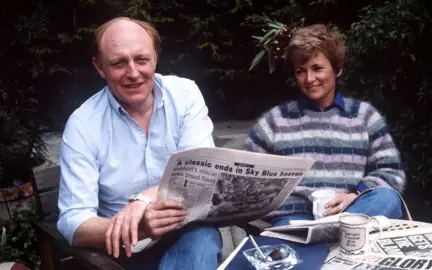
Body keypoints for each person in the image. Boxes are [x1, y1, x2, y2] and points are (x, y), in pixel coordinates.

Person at [57, 17, 221, 269]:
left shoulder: (185, 95)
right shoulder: (83, 125)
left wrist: (143, 200)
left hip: (186, 233)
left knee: (203, 239)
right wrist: (137, 228)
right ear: (99, 67)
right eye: (118, 63)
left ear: (155, 58)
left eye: (141, 59)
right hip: (126, 251)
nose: (133, 73)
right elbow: (73, 221)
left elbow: (200, 170)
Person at [244, 24, 409, 227]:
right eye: (300, 71)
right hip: (294, 219)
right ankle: (330, 241)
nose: (309, 79)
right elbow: (246, 178)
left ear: (337, 69)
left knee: (387, 199)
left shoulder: (365, 116)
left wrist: (355, 195)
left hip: (351, 213)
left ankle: (327, 240)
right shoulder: (274, 121)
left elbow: (391, 171)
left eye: (317, 68)